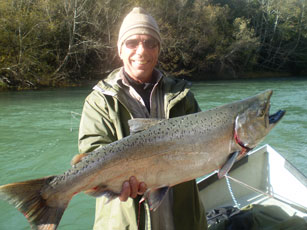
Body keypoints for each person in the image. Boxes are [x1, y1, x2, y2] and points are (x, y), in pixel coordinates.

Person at [78, 7, 207, 230]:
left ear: (158, 49)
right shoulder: (99, 100)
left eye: (150, 43)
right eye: (132, 43)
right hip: (123, 223)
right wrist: (117, 181)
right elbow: (93, 152)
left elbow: (204, 147)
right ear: (120, 49)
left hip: (183, 221)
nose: (142, 51)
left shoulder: (184, 97)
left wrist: (230, 148)